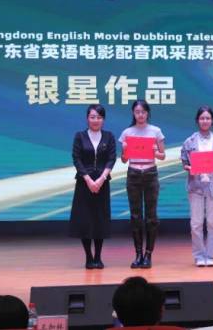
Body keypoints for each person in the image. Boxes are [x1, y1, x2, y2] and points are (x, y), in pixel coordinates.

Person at [119, 100, 166, 269]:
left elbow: (163, 156)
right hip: (133, 174)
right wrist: (125, 150)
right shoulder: (127, 132)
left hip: (150, 173)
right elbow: (124, 160)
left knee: (151, 216)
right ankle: (138, 253)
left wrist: (155, 152)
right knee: (135, 216)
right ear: (133, 113)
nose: (140, 115)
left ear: (147, 113)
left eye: (143, 112)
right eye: (137, 112)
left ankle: (148, 254)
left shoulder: (156, 131)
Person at [180, 106, 213, 267]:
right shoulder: (189, 142)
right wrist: (189, 167)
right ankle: (199, 256)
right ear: (197, 120)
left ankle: (211, 255)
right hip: (196, 185)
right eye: (202, 118)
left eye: (208, 118)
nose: (205, 121)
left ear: (212, 121)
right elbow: (184, 162)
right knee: (196, 223)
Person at [69, 104, 116, 269]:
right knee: (85, 220)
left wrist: (102, 179)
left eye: (99, 117)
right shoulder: (80, 136)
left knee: (99, 220)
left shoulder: (109, 136)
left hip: (102, 183)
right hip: (84, 183)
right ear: (87, 118)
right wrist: (88, 180)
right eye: (92, 117)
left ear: (103, 119)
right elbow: (76, 159)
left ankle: (98, 257)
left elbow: (111, 158)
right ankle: (88, 257)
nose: (96, 120)